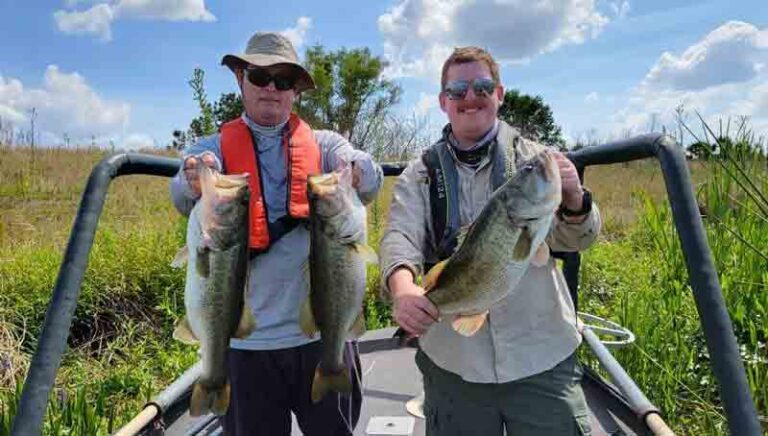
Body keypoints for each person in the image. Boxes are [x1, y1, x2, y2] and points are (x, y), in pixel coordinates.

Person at [379, 46, 601, 435]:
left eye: (482, 87)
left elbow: (577, 238)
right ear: (443, 101)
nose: (470, 98)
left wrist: (575, 199)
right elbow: (400, 233)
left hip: (540, 355)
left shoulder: (537, 161)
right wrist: (403, 289)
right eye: (458, 90)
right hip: (454, 360)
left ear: (499, 94)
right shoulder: (421, 173)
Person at [170, 32, 383, 436]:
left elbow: (370, 182)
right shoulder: (211, 148)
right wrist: (193, 177)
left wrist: (357, 167)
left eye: (283, 79)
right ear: (239, 79)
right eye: (259, 75)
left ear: (296, 91)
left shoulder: (324, 145)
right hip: (244, 345)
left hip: (322, 335)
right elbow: (180, 192)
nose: (271, 87)